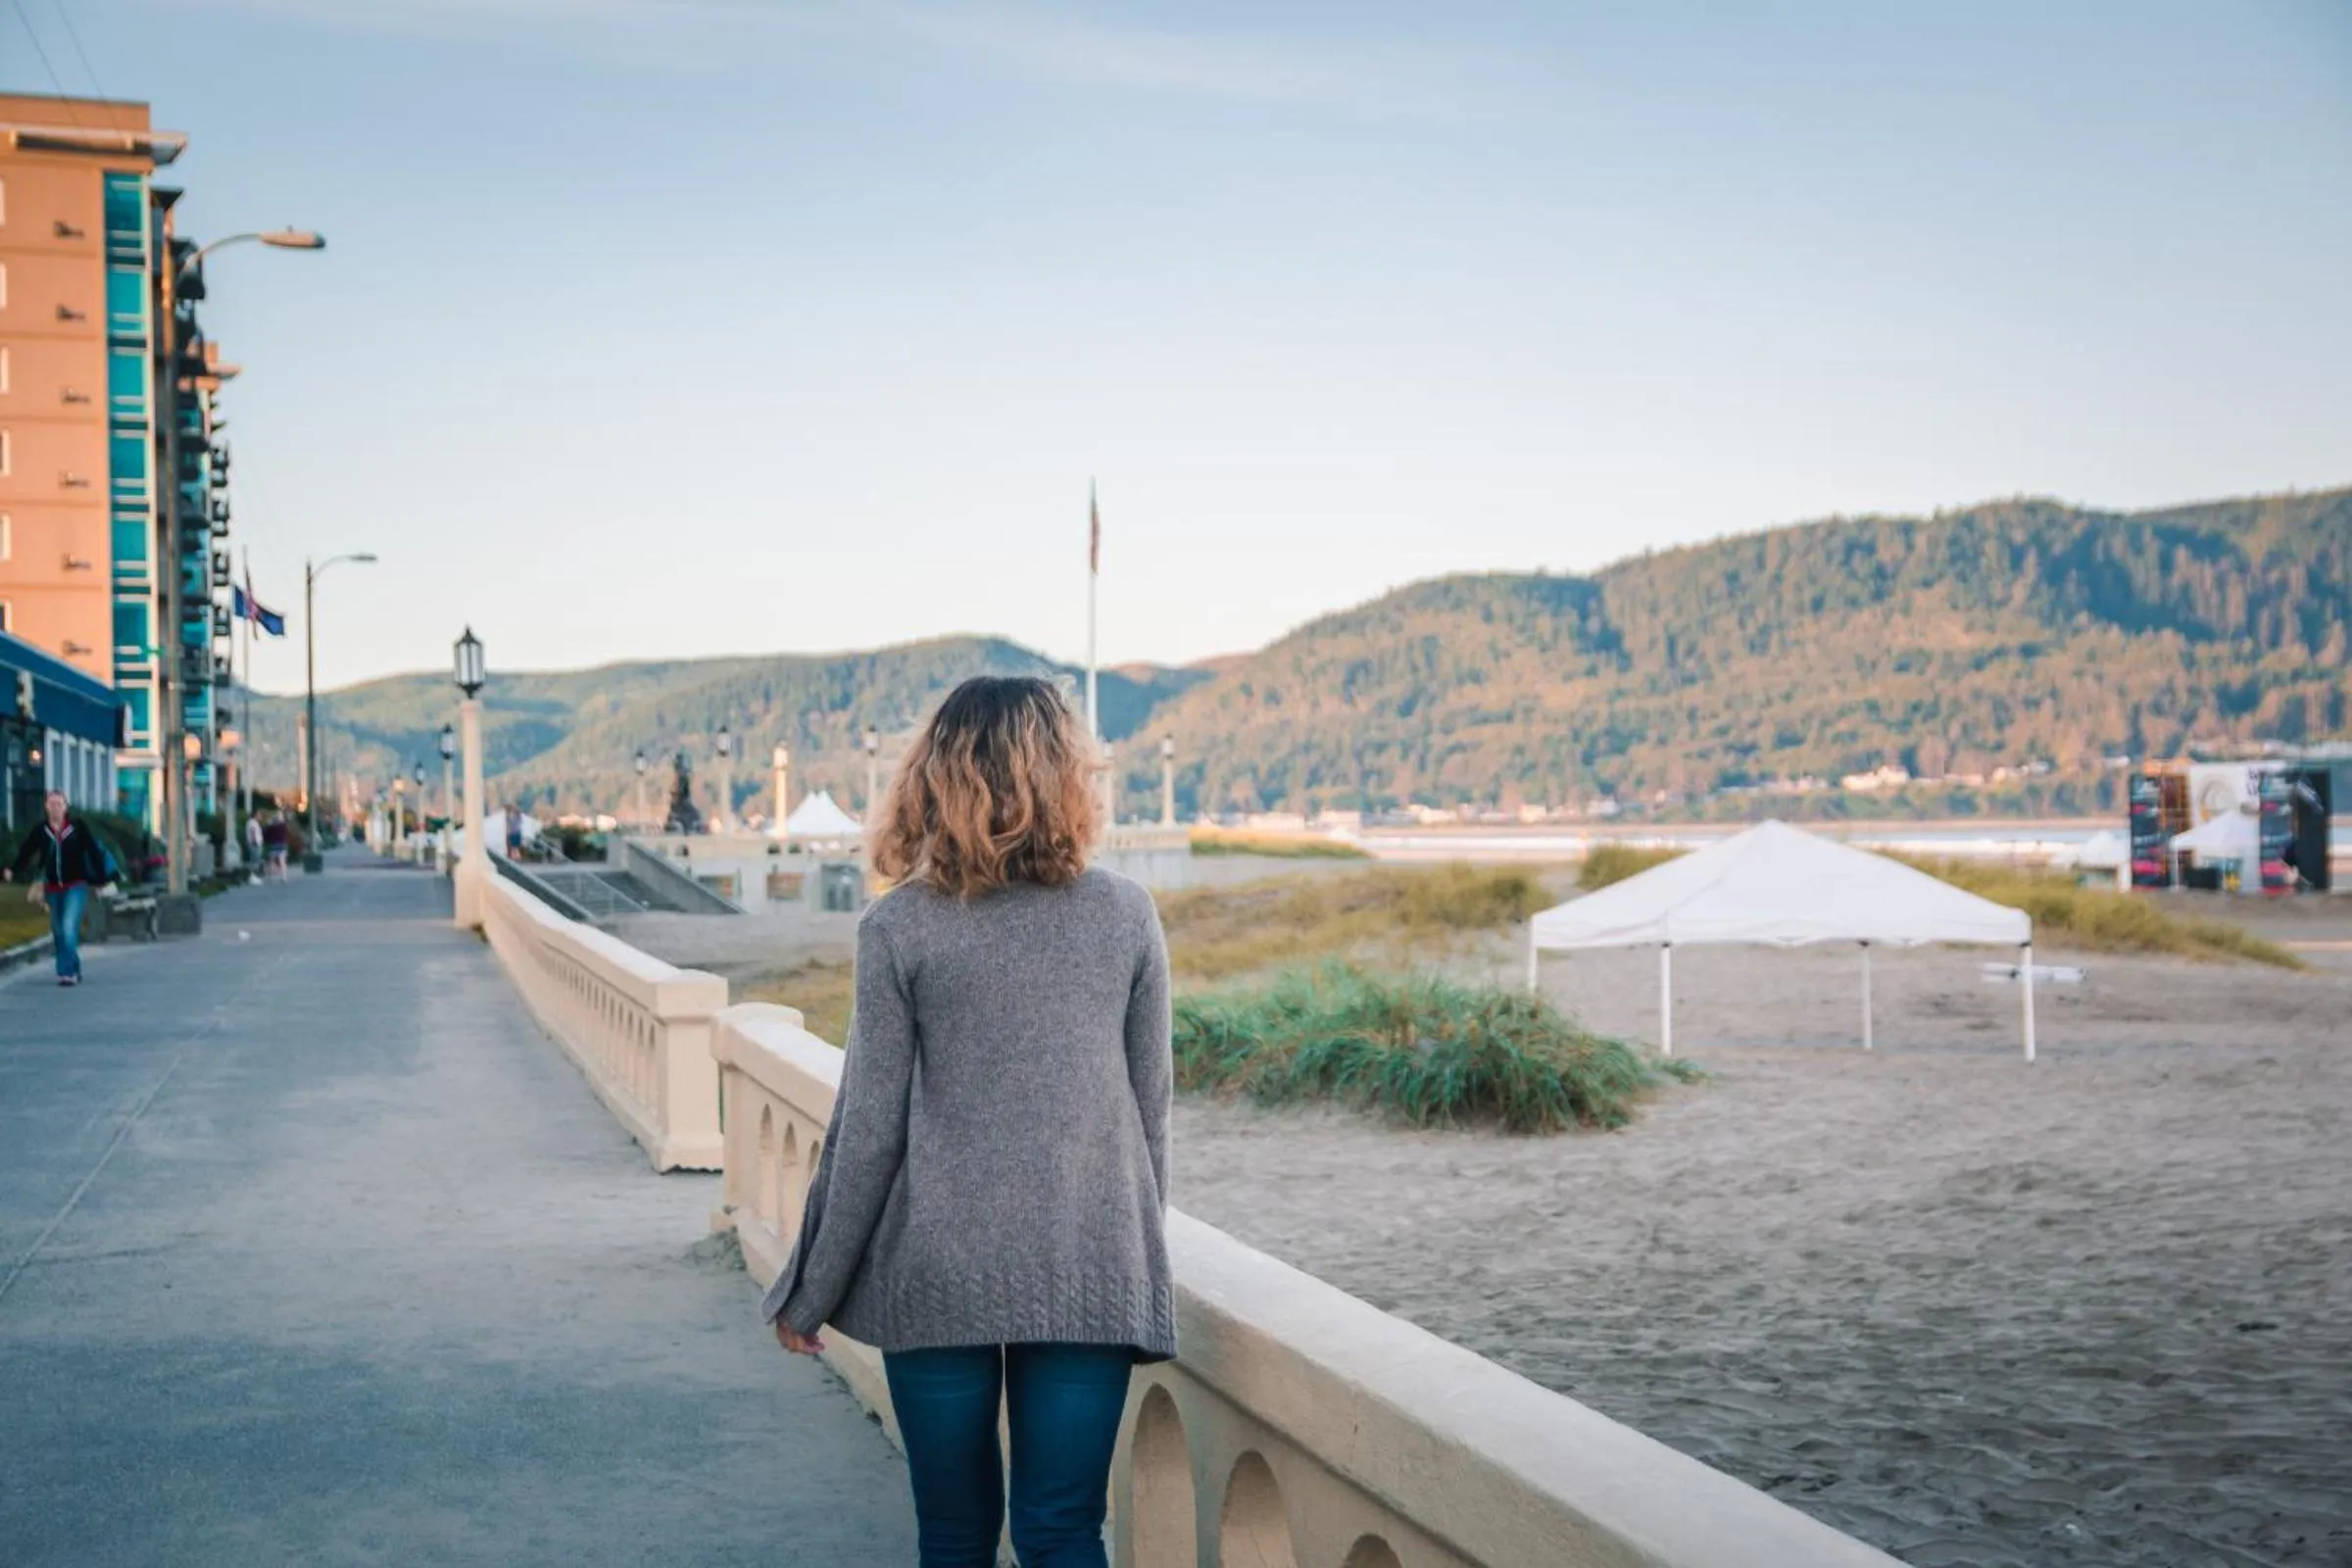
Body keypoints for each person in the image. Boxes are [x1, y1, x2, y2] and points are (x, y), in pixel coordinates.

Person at [762, 676, 1174, 1568]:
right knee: (1063, 1529)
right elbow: (1150, 1115)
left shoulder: (899, 926)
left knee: (953, 1535)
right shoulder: (1126, 914)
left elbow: (865, 1127)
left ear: (933, 778)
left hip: (938, 1266)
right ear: (1069, 777)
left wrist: (811, 1287)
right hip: (1089, 1259)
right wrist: (1139, 1261)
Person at [5, 790, 118, 987]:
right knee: (58, 931)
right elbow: (27, 850)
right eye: (51, 804)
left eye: (59, 804)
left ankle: (66, 973)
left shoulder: (77, 828)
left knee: (68, 927)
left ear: (66, 807)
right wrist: (13, 869)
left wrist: (101, 879)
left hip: (76, 885)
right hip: (52, 887)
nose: (55, 807)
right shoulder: (42, 830)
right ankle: (73, 966)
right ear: (46, 807)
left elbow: (92, 850)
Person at [262, 811, 291, 882]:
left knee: (272, 860)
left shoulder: (272, 826)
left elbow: (266, 834)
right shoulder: (283, 826)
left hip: (274, 844)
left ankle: (270, 877)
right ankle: (284, 877)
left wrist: (268, 824)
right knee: (282, 861)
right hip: (282, 844)